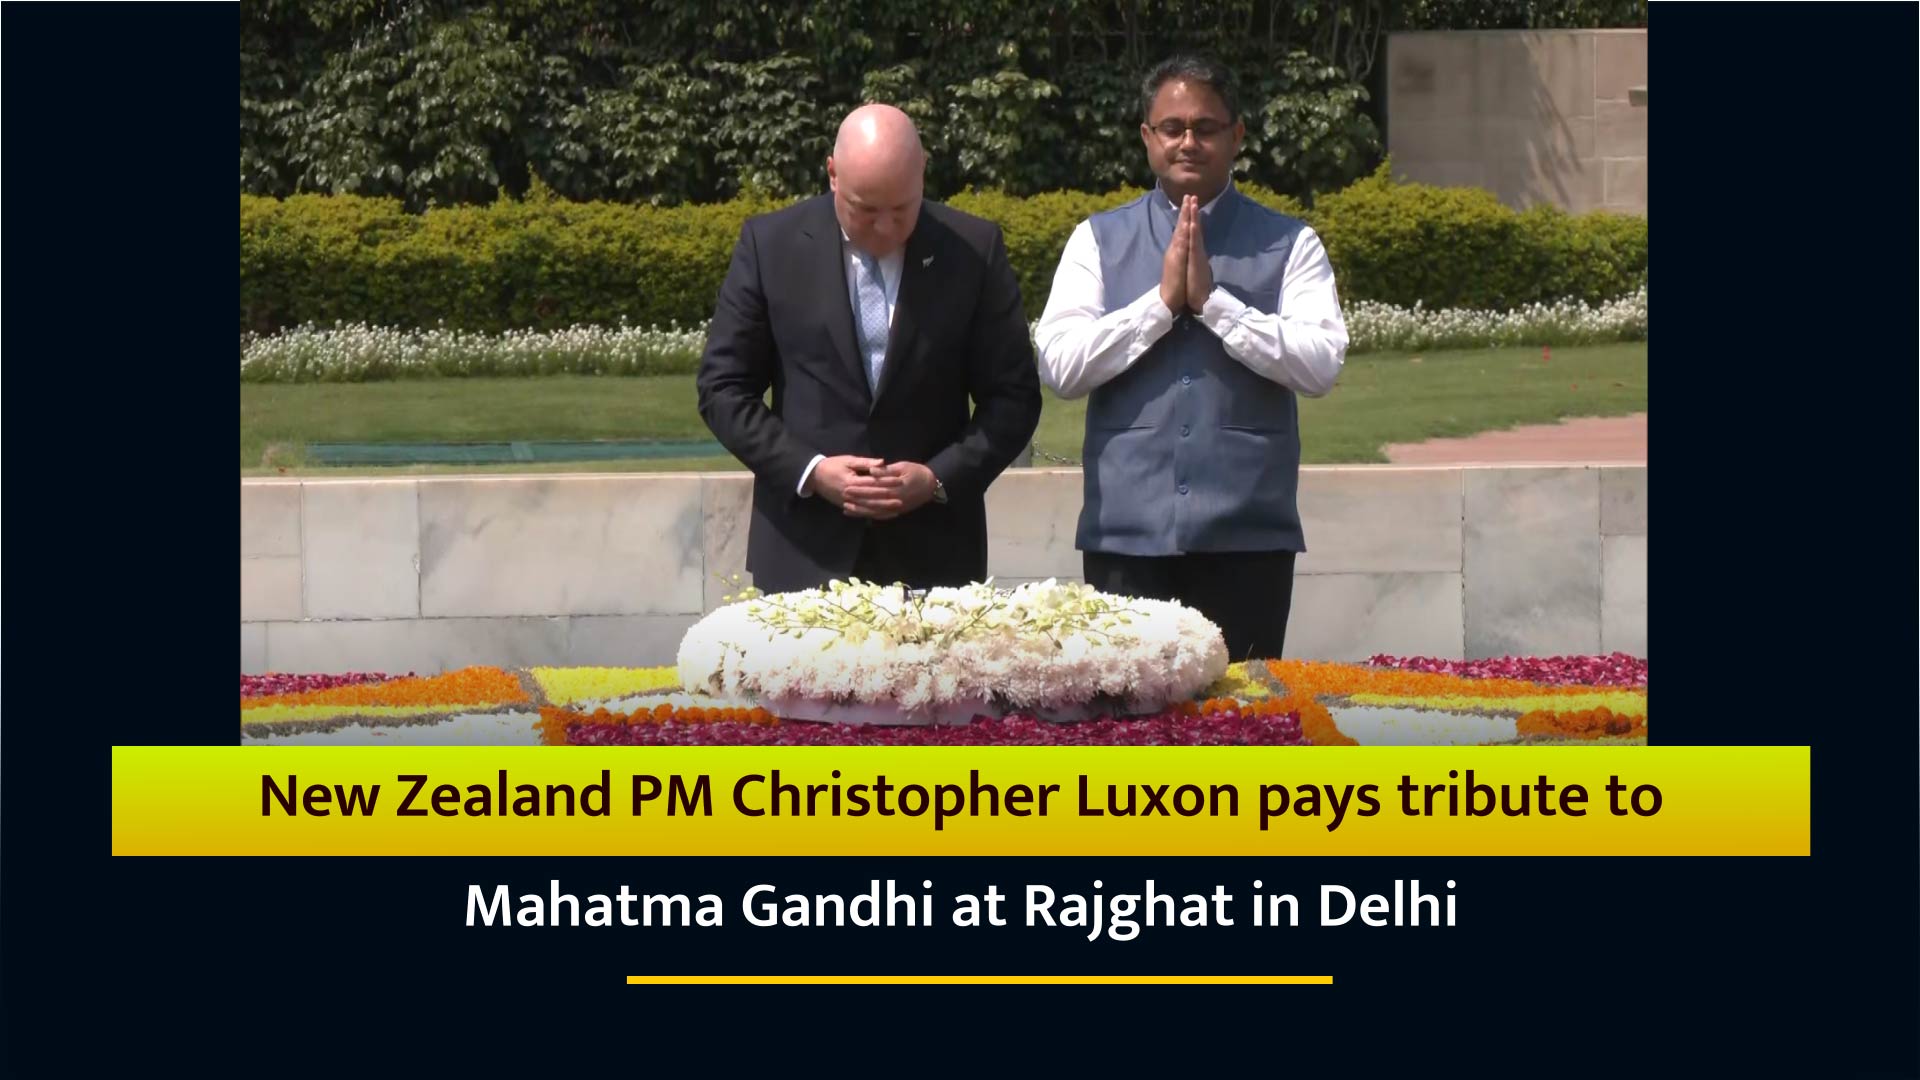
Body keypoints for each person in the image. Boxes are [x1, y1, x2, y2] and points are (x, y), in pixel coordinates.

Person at [1033, 56, 1349, 660]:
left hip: (1247, 540)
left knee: (1243, 732)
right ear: (1147, 138)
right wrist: (1159, 305)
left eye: (1205, 127)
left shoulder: (1290, 242)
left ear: (1237, 136)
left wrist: (1214, 304)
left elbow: (1320, 363)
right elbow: (1062, 367)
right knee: (1129, 735)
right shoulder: (1096, 239)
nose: (1188, 141)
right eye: (1171, 127)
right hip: (1125, 540)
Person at [697, 104, 1042, 595]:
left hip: (934, 553)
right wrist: (812, 470)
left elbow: (1014, 398)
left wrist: (937, 477)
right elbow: (723, 389)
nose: (885, 227)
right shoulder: (770, 245)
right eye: (865, 210)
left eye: (902, 209)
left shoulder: (974, 250)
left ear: (923, 173)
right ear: (833, 174)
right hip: (804, 551)